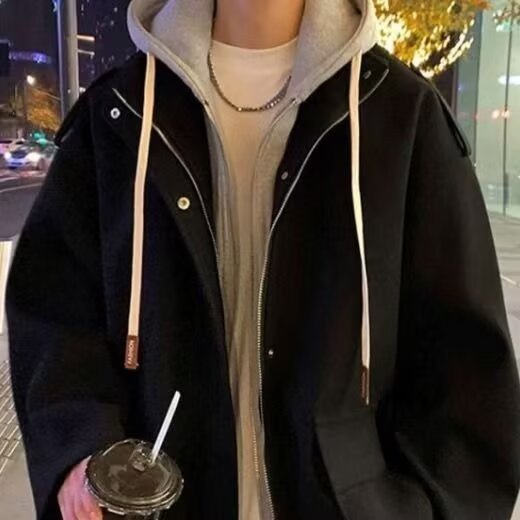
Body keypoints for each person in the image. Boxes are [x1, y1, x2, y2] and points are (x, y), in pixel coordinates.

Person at [7, 0, 520, 518]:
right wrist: (80, 443)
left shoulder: (400, 116)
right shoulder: (119, 114)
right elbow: (53, 311)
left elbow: (468, 369)